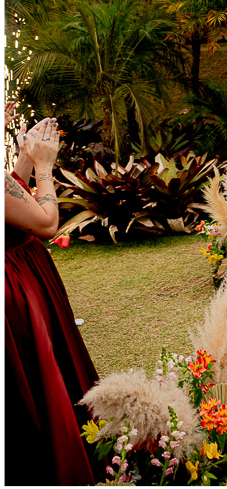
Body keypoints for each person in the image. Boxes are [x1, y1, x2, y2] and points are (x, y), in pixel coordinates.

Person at [5, 111, 101, 485]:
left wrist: (25, 160)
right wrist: (45, 166)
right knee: (37, 377)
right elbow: (46, 223)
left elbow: (10, 201)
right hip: (16, 290)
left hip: (18, 279)